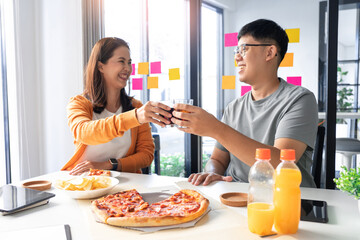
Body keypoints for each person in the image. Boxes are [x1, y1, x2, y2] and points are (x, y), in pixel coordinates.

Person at [171, 19, 318, 188]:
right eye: (236, 50)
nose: (237, 56)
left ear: (269, 52)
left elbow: (280, 166)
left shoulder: (300, 99)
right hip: (237, 197)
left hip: (286, 200)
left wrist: (215, 128)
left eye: (243, 49)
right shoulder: (234, 106)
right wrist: (213, 172)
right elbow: (217, 159)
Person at [61, 37, 172, 175]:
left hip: (125, 187)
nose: (127, 68)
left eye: (129, 62)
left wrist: (108, 165)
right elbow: (84, 133)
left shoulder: (135, 107)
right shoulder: (79, 103)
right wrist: (135, 117)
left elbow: (146, 155)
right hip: (85, 183)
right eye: (121, 61)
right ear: (101, 66)